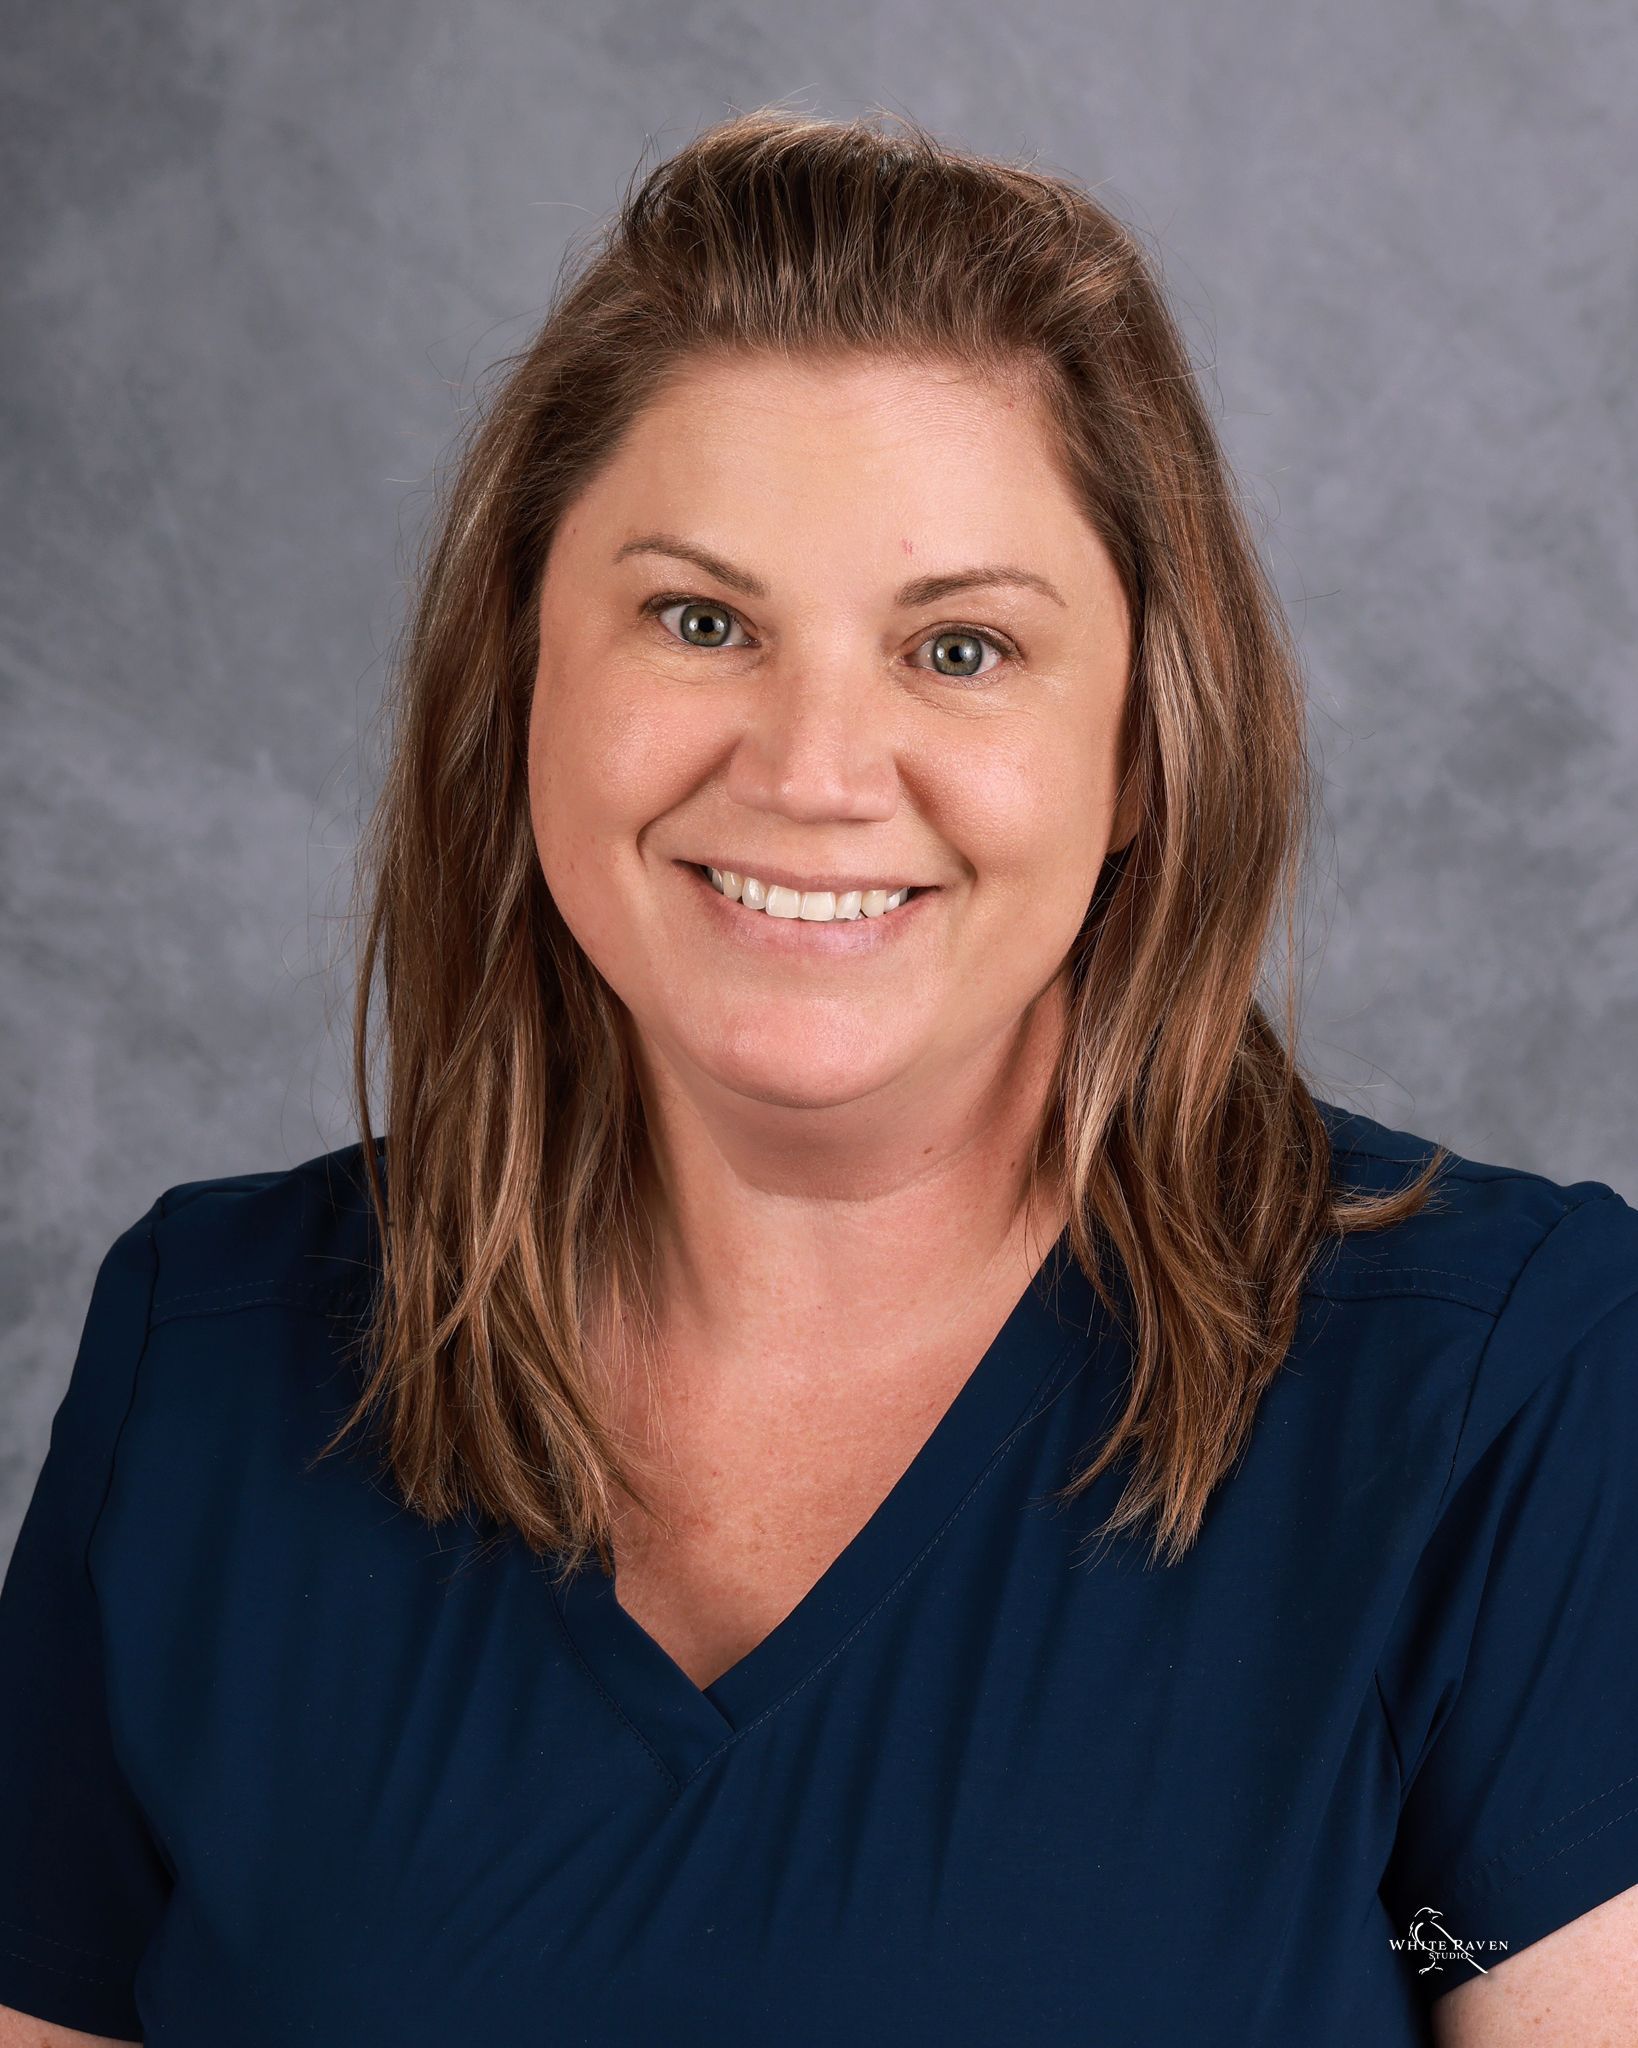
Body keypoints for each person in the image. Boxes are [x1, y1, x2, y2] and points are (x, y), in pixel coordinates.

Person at [1, 108, 1634, 2048]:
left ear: (1145, 746)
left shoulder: (1500, 1393)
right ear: (522, 679)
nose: (812, 769)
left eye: (961, 648)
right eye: (701, 621)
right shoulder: (201, 1366)